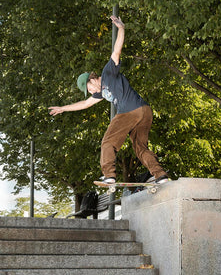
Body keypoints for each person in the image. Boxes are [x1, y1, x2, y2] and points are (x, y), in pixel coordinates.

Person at [49, 16, 169, 185]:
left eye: (89, 88)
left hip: (129, 111)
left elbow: (116, 51)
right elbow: (84, 104)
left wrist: (121, 29)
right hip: (144, 112)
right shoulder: (100, 94)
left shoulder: (108, 73)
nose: (90, 92)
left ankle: (109, 175)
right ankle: (160, 175)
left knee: (108, 141)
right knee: (140, 148)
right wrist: (63, 108)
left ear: (92, 79)